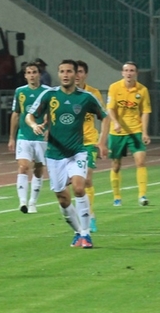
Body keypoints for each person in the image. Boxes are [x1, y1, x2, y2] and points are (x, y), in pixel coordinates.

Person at [25, 60, 108, 249]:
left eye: (69, 71)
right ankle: (78, 231)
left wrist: (102, 142)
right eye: (62, 71)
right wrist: (34, 125)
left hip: (77, 152)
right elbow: (30, 115)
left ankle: (86, 234)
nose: (65, 74)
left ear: (75, 74)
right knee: (63, 199)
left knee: (79, 188)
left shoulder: (85, 97)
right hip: (55, 154)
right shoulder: (50, 95)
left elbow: (105, 117)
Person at [106, 61, 152, 206]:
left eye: (132, 70)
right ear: (122, 73)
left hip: (135, 130)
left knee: (140, 161)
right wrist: (116, 122)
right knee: (116, 165)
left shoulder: (142, 90)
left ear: (136, 73)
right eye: (126, 70)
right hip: (117, 132)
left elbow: (145, 111)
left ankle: (142, 196)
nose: (129, 73)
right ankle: (117, 196)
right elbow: (110, 108)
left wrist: (145, 132)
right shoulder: (114, 87)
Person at [7, 62, 50, 214]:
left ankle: (33, 202)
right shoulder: (20, 91)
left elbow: (52, 113)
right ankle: (22, 202)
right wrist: (12, 137)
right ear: (25, 75)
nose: (32, 75)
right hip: (23, 135)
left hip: (40, 136)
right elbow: (16, 114)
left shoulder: (47, 92)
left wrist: (49, 129)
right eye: (29, 73)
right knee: (23, 167)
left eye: (34, 72)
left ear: (39, 74)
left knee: (38, 169)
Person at [76, 60, 104, 232]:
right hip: (70, 143)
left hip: (89, 141)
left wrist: (101, 141)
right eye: (74, 71)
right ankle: (81, 213)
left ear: (85, 74)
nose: (77, 75)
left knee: (87, 179)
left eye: (80, 71)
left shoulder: (93, 93)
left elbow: (103, 117)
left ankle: (89, 214)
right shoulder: (64, 94)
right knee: (74, 183)